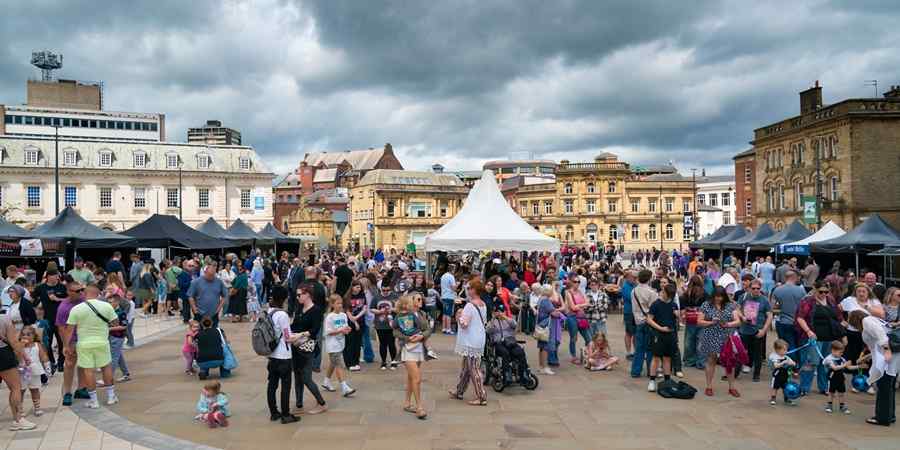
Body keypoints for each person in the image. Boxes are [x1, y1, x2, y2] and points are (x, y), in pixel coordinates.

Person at [66, 283, 118, 408]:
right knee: (106, 367)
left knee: (88, 371)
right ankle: (111, 396)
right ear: (98, 293)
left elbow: (69, 330)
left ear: (85, 293)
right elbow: (115, 322)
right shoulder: (107, 306)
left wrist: (66, 346)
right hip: (102, 342)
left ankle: (94, 401)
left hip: (84, 343)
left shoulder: (76, 309)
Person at [849, 310, 899, 426]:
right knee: (888, 386)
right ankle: (889, 415)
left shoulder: (866, 321)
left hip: (888, 357)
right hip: (891, 355)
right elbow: (877, 344)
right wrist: (866, 357)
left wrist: (886, 351)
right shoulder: (873, 320)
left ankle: (882, 418)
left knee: (884, 386)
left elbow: (881, 335)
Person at [794, 280, 843, 395]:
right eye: (821, 291)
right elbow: (800, 318)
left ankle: (824, 387)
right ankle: (804, 388)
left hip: (829, 338)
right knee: (811, 363)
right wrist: (808, 331)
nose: (824, 294)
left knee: (826, 363)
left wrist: (842, 333)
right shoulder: (807, 301)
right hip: (813, 338)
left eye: (826, 292)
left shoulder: (831, 301)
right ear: (815, 290)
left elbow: (838, 317)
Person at [449, 277, 487, 406]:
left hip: (471, 340)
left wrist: (459, 315)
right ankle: (459, 391)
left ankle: (481, 396)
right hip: (478, 338)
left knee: (474, 369)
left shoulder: (470, 306)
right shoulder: (482, 304)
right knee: (467, 367)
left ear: (474, 290)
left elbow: (464, 324)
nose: (468, 290)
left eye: (469, 288)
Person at [697, 287, 741, 397]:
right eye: (717, 296)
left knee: (729, 362)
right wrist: (711, 322)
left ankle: (732, 387)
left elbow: (738, 321)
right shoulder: (706, 305)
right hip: (710, 336)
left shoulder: (730, 305)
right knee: (711, 360)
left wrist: (728, 324)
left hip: (727, 336)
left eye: (721, 296)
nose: (719, 299)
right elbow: (699, 321)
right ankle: (709, 386)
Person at [291, 283, 327, 415]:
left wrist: (301, 334)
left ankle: (321, 403)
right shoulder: (300, 308)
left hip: (307, 348)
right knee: (297, 376)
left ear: (307, 295)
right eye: (297, 295)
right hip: (295, 346)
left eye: (299, 295)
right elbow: (294, 325)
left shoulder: (316, 310)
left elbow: (315, 330)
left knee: (306, 377)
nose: (298, 297)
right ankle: (299, 404)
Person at [393, 294, 430, 420]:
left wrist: (421, 336)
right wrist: (407, 338)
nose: (421, 301)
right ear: (412, 302)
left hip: (419, 348)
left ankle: (407, 403)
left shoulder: (422, 314)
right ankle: (419, 407)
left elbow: (428, 329)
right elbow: (395, 331)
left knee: (411, 377)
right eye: (418, 299)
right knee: (417, 378)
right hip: (407, 349)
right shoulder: (402, 316)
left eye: (421, 299)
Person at [266, 286, 299, 424]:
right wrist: (301, 335)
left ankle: (274, 412)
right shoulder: (282, 315)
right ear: (284, 298)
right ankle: (285, 414)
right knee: (285, 386)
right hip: (283, 355)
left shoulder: (268, 312)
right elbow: (287, 337)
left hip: (271, 355)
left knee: (272, 385)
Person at [1, 312, 37, 430]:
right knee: (15, 387)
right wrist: (25, 356)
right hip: (3, 354)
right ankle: (18, 420)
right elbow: (13, 341)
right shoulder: (4, 318)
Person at [736, 279, 773, 382]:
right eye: (754, 288)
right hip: (744, 330)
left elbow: (770, 315)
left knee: (758, 354)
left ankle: (756, 375)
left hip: (758, 331)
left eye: (758, 288)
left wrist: (764, 330)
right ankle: (735, 373)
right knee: (740, 352)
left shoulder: (764, 300)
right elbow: (737, 309)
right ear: (750, 288)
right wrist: (742, 317)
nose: (756, 290)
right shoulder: (743, 297)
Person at [646, 283, 679, 392]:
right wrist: (660, 328)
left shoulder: (674, 305)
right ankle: (652, 381)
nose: (662, 293)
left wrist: (678, 315)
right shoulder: (656, 304)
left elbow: (679, 320)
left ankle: (667, 380)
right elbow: (649, 319)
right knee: (656, 358)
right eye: (663, 291)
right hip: (658, 335)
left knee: (667, 358)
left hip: (671, 335)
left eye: (665, 292)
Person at [321, 295, 356, 397]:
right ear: (332, 304)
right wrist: (340, 330)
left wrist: (347, 329)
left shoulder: (343, 315)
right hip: (332, 345)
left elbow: (344, 327)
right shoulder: (329, 317)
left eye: (341, 303)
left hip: (341, 343)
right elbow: (327, 332)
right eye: (338, 303)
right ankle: (344, 387)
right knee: (339, 364)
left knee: (333, 363)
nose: (340, 305)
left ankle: (326, 381)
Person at [34, 270, 67, 371]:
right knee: (47, 342)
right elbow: (32, 298)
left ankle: (61, 363)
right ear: (47, 277)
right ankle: (52, 362)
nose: (54, 277)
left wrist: (58, 299)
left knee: (62, 343)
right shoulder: (41, 287)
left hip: (61, 320)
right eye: (51, 276)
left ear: (58, 276)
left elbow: (71, 299)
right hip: (46, 319)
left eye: (56, 275)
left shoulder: (62, 287)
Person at [485, 301, 527, 380]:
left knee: (520, 352)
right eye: (498, 311)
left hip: (510, 342)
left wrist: (505, 318)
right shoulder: (492, 322)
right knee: (505, 353)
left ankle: (523, 373)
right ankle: (506, 374)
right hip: (499, 344)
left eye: (502, 311)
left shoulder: (509, 320)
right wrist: (493, 319)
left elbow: (515, 326)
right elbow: (488, 330)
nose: (500, 313)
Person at [629, 269, 656, 379]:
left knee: (639, 348)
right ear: (649, 279)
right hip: (649, 322)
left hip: (638, 321)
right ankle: (651, 370)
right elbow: (654, 309)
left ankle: (635, 371)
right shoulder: (652, 292)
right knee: (650, 348)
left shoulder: (633, 291)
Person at [17, 326, 48, 417]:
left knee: (35, 389)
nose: (25, 337)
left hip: (35, 370)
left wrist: (46, 364)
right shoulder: (19, 346)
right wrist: (21, 348)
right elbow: (17, 357)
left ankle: (37, 407)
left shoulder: (37, 345)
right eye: (23, 334)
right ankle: (20, 408)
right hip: (23, 371)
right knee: (21, 390)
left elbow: (43, 356)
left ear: (34, 336)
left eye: (28, 334)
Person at [822, 341, 859, 414]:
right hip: (832, 378)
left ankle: (842, 407)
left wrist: (859, 367)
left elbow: (849, 367)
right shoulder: (829, 359)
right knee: (831, 393)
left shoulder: (841, 359)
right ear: (833, 350)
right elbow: (835, 368)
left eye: (842, 352)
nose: (842, 354)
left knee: (841, 393)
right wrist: (845, 365)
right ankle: (829, 406)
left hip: (841, 378)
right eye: (840, 352)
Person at [564, 274, 592, 365]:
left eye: (578, 282)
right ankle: (573, 356)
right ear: (571, 282)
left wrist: (580, 306)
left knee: (588, 337)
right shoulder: (568, 292)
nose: (577, 283)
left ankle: (588, 354)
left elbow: (587, 302)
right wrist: (583, 305)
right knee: (574, 337)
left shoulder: (580, 292)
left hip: (581, 317)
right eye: (575, 282)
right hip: (572, 317)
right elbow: (573, 307)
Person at [680, 275, 706, 370]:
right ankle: (701, 362)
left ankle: (689, 361)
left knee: (689, 341)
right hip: (702, 320)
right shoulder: (704, 294)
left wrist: (684, 315)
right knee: (701, 341)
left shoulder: (686, 294)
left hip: (690, 320)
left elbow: (682, 308)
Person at [536, 285, 562, 375]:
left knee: (541, 347)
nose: (552, 292)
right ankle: (545, 367)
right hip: (546, 326)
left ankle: (541, 366)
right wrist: (558, 312)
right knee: (545, 347)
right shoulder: (546, 301)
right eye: (551, 290)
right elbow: (554, 313)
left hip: (541, 325)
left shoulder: (540, 299)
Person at [371, 283, 398, 370]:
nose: (386, 292)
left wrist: (391, 309)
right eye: (384, 290)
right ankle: (383, 362)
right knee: (382, 344)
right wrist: (379, 311)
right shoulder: (376, 297)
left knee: (391, 343)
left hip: (392, 324)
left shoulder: (394, 296)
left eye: (388, 290)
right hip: (380, 324)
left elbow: (399, 308)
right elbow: (371, 308)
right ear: (381, 289)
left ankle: (394, 361)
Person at [107, 295, 131, 382]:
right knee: (119, 356)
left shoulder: (121, 312)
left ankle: (108, 378)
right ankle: (126, 374)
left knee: (114, 358)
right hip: (111, 336)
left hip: (117, 337)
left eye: (111, 302)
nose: (109, 304)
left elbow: (124, 326)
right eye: (108, 302)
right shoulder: (110, 312)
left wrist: (109, 329)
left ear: (117, 302)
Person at [768, 339, 797, 406]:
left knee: (786, 387)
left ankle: (787, 399)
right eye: (784, 350)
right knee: (775, 387)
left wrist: (792, 364)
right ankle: (773, 398)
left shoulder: (786, 357)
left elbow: (793, 363)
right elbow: (776, 366)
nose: (786, 351)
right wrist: (784, 362)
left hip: (785, 375)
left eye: (786, 349)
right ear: (777, 350)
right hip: (777, 375)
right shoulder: (774, 356)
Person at [620, 270, 637, 359]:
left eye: (635, 277)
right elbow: (630, 298)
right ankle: (628, 352)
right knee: (629, 332)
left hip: (635, 312)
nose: (634, 278)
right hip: (629, 312)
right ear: (627, 277)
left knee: (635, 333)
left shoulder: (634, 285)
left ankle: (635, 351)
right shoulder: (625, 286)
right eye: (632, 277)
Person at [440, 265, 457, 335]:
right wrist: (457, 285)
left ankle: (444, 328)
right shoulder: (451, 277)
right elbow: (453, 288)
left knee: (444, 313)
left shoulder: (443, 276)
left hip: (443, 296)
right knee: (448, 314)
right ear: (452, 270)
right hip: (449, 296)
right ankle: (448, 329)